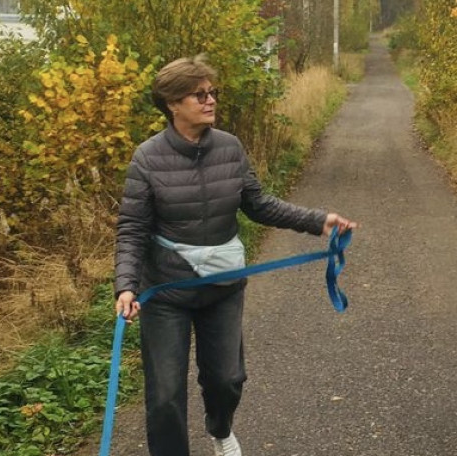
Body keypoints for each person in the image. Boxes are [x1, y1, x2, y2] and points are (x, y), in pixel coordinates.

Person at [113, 55, 357, 456]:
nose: (210, 100)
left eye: (213, 92)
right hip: (167, 291)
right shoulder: (147, 158)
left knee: (227, 379)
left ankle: (220, 428)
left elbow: (258, 204)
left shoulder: (229, 147)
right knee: (165, 394)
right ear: (172, 104)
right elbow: (132, 228)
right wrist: (126, 285)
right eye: (199, 95)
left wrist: (318, 221)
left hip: (222, 285)